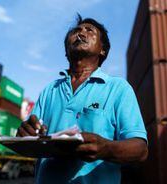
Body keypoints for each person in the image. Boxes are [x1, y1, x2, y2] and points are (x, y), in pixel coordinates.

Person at [17, 15, 148, 184]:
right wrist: (26, 134)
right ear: (66, 50)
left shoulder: (118, 88)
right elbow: (29, 140)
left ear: (103, 50)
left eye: (89, 30)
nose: (81, 33)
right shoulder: (50, 90)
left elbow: (141, 150)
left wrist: (106, 148)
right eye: (76, 30)